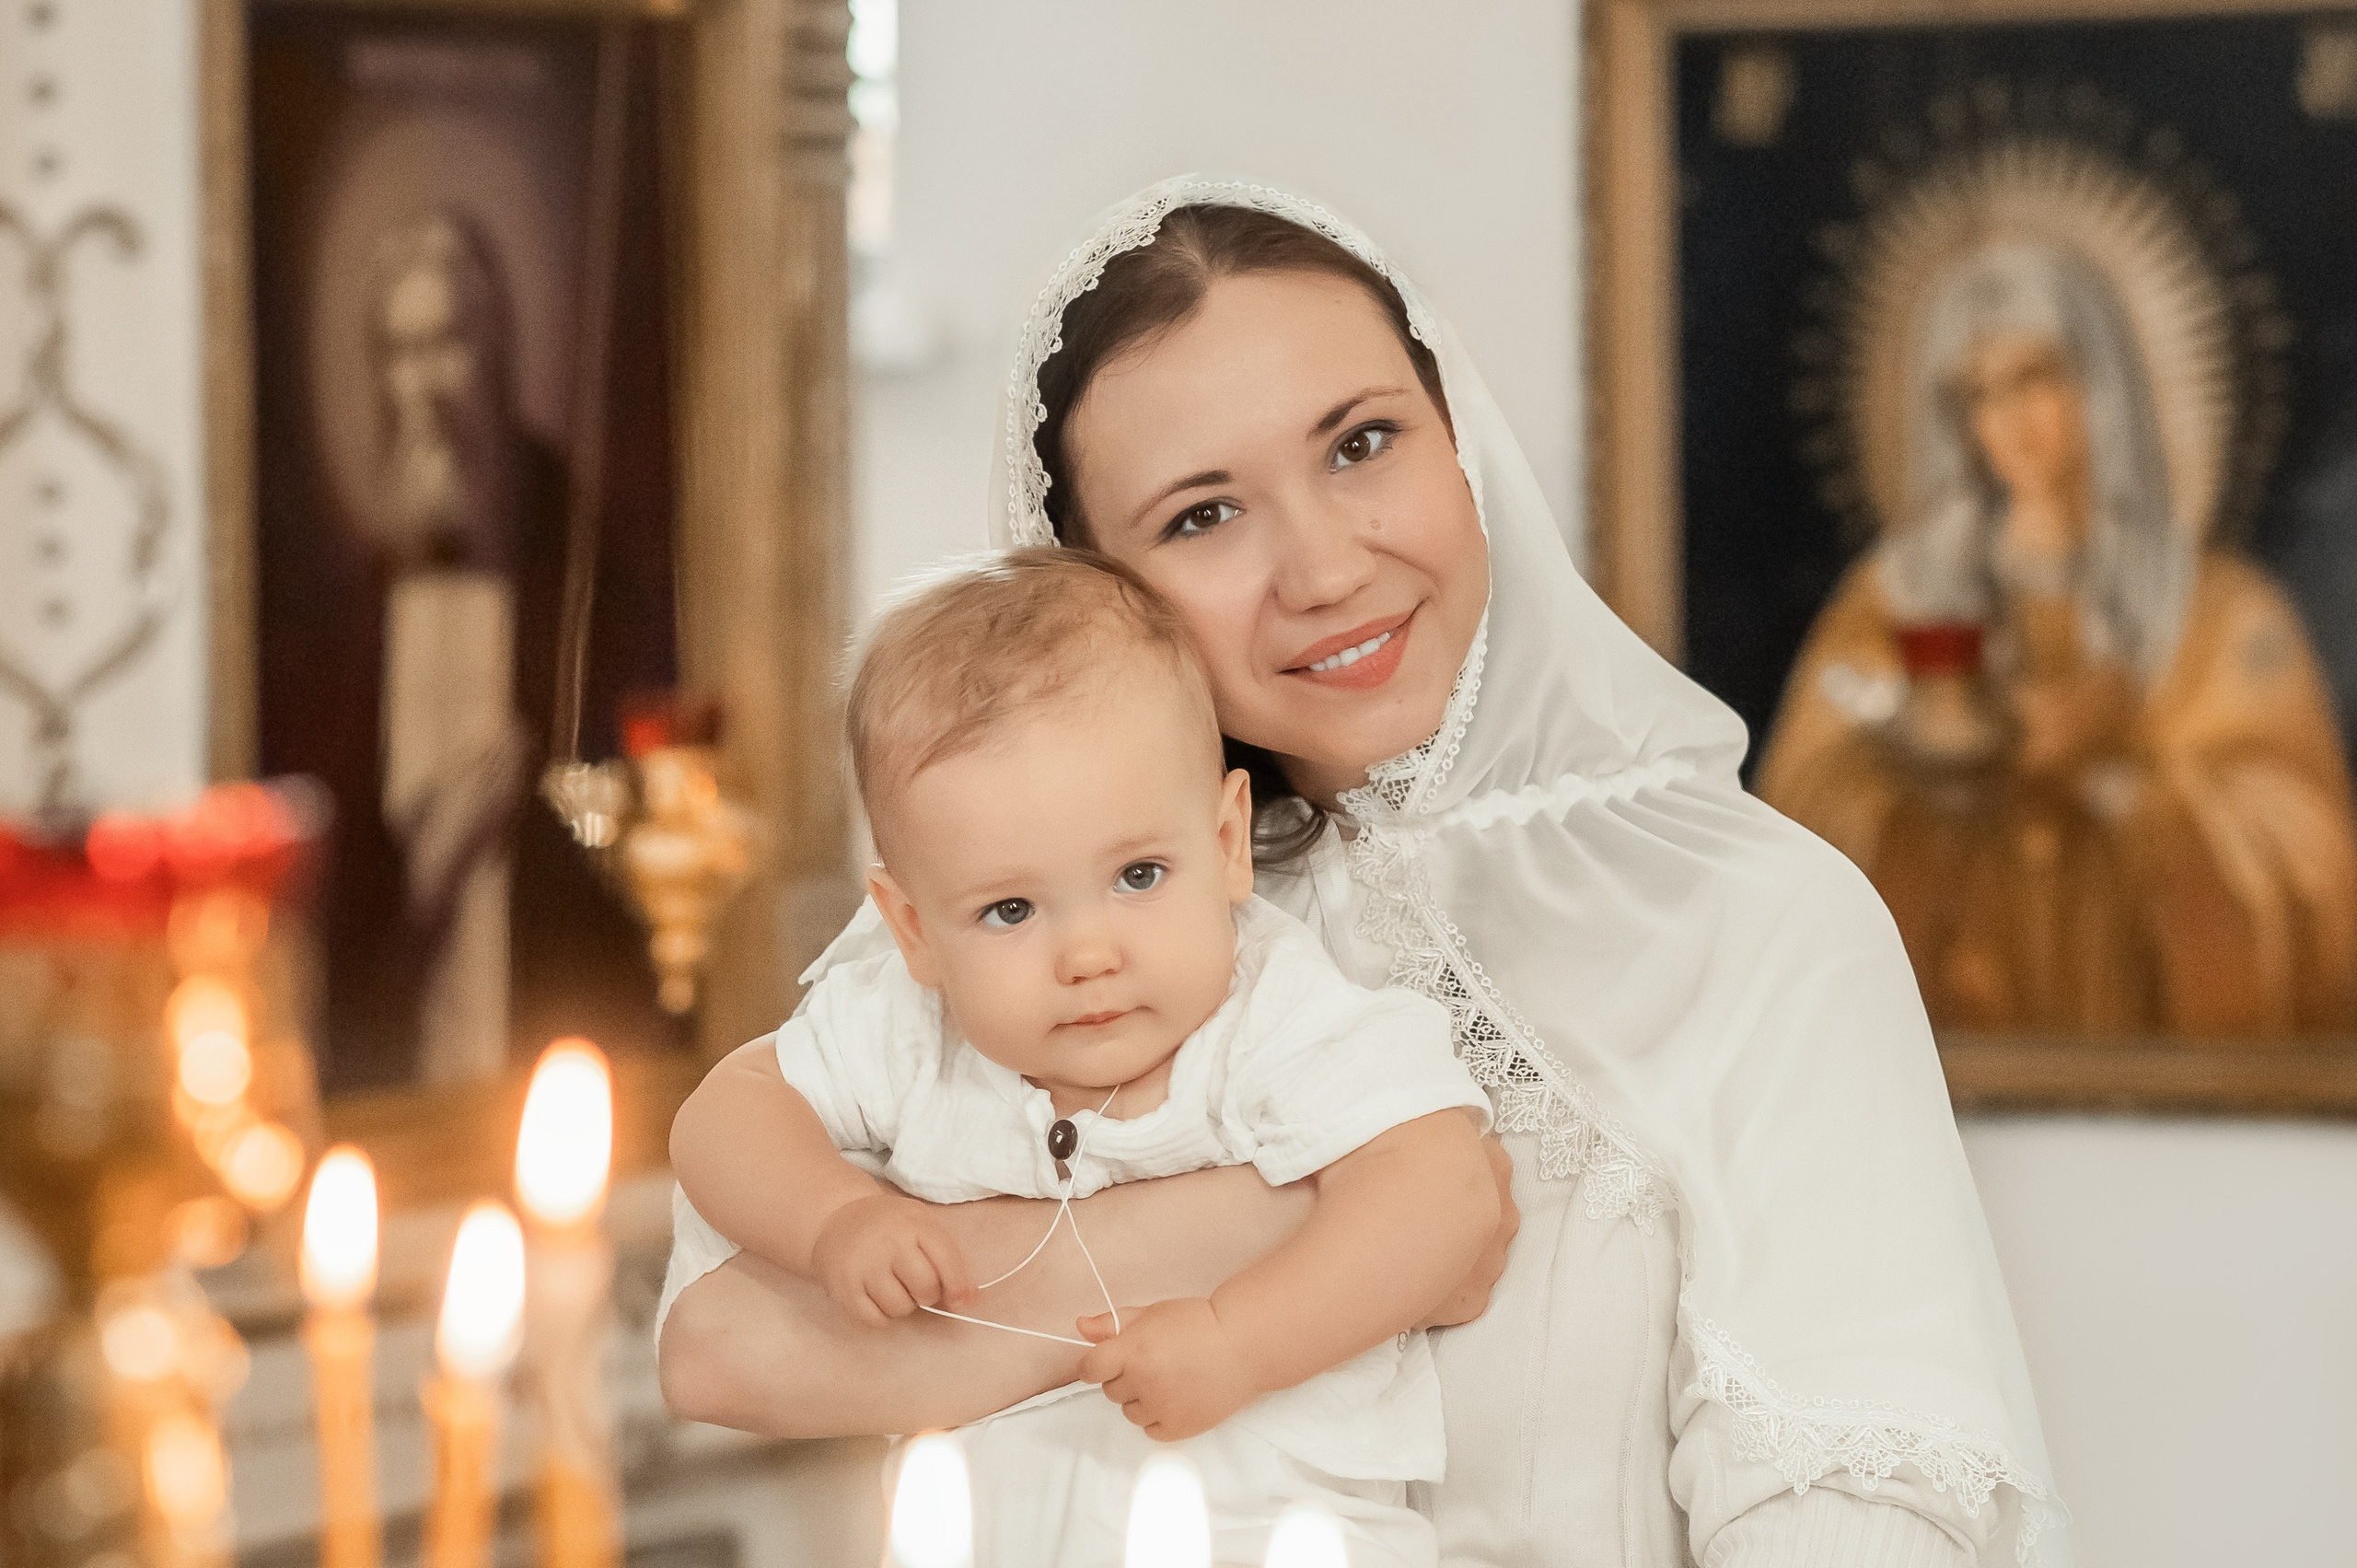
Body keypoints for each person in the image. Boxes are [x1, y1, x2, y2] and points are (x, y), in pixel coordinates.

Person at [660, 180, 2063, 1566]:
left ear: (1459, 440)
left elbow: (1865, 1509)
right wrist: (1328, 1219)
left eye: (1363, 442)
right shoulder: (1024, 915)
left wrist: (999, 1294)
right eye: (1203, 516)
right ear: (1093, 586)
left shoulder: (1764, 927)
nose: (1326, 566)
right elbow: (723, 1347)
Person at [677, 550, 1495, 1565]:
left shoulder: (1274, 1013)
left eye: (1140, 873)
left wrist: (1240, 1338)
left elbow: (1450, 1189)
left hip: (1282, 1534)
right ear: (913, 926)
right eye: (1011, 908)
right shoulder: (908, 1029)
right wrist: (833, 1216)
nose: (1089, 953)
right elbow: (726, 1110)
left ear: (1228, 841)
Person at [1758, 240, 2357, 1035]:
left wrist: (2123, 784)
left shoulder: (2219, 612)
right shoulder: (1897, 600)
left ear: (2101, 382)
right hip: (1955, 1049)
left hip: (2156, 1063)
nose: (2006, 420)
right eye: (1976, 393)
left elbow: (2310, 862)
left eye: (2034, 377)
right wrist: (1930, 763)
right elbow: (1801, 819)